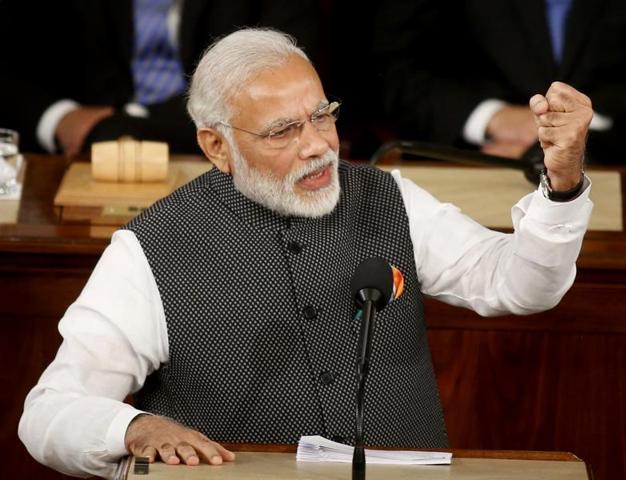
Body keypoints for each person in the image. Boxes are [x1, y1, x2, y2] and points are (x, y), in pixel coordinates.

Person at [19, 28, 593, 479]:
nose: (318, 145)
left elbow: (522, 285)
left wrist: (561, 186)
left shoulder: (389, 198)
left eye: (322, 115)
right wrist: (134, 427)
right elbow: (48, 411)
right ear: (217, 146)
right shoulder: (153, 247)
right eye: (281, 132)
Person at [0, 0, 322, 155]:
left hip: (221, 160)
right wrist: (59, 119)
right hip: (72, 164)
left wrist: (122, 127)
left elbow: (284, 72)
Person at [375, 0, 626, 163]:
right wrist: (491, 118)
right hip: (472, 161)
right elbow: (392, 65)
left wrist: (575, 130)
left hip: (619, 162)